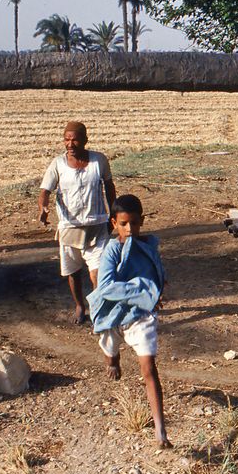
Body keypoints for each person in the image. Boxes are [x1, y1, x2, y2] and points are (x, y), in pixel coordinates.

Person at [87, 194, 171, 448]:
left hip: (140, 316)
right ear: (114, 223)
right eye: (124, 224)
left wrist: (157, 290)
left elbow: (156, 272)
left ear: (142, 221)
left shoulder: (148, 245)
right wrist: (145, 295)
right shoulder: (112, 250)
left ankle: (160, 431)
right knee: (110, 351)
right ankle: (113, 361)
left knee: (149, 368)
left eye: (134, 223)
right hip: (113, 314)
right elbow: (106, 288)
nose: (130, 229)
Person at [38, 121, 116, 324]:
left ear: (85, 140)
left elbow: (109, 186)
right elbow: (45, 191)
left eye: (75, 139)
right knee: (73, 271)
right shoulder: (58, 164)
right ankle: (80, 305)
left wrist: (114, 214)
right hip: (69, 227)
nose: (70, 144)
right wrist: (43, 208)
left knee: (97, 272)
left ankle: (99, 308)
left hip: (97, 224)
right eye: (66, 139)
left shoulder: (99, 161)